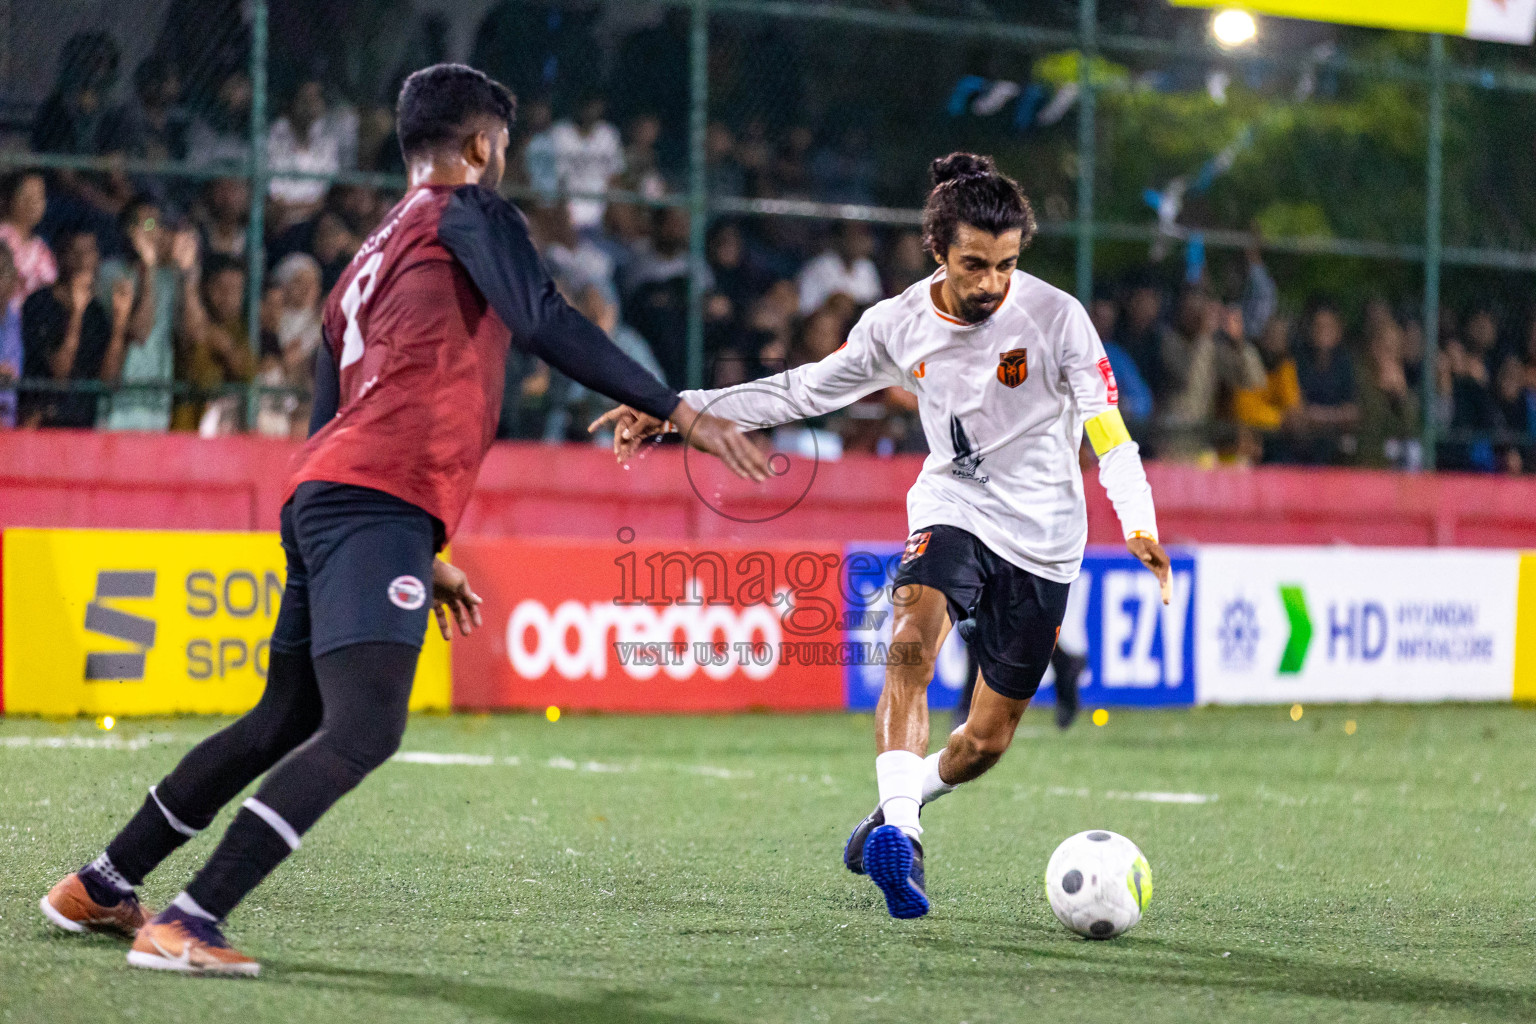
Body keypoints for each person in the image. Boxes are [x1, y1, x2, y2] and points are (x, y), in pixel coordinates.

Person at [39, 62, 764, 975]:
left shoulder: (364, 260)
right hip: (373, 498)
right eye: (500, 146)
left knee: (282, 718)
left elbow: (330, 403)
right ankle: (189, 918)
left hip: (330, 493)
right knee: (365, 728)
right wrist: (680, 408)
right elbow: (541, 319)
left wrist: (418, 541)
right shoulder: (472, 211)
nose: (502, 162)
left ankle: (105, 882)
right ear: (476, 146)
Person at [594, 153, 1169, 920]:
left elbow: (1106, 425)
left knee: (984, 745)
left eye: (1006, 264)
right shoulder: (895, 323)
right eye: (974, 264)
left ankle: (899, 807)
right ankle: (904, 836)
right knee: (910, 638)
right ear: (938, 250)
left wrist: (1137, 517)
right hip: (954, 503)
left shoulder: (1057, 317)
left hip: (1046, 538)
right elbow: (801, 389)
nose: (992, 282)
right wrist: (677, 407)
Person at [20, 229, 131, 428]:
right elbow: (60, 374)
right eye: (75, 252)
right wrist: (76, 314)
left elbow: (110, 381)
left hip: (82, 428)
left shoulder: (97, 312)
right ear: (59, 256)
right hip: (41, 424)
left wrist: (120, 323)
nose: (83, 260)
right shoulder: (38, 303)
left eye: (89, 252)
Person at [797, 220, 882, 315]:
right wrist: (833, 303)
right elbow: (806, 309)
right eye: (853, 236)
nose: (858, 242)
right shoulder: (818, 266)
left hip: (857, 324)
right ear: (841, 238)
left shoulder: (867, 267)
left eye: (862, 236)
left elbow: (873, 305)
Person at [0, 172, 57, 299]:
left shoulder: (40, 246)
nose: (33, 203)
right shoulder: (2, 238)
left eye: (39, 196)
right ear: (9, 198)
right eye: (26, 196)